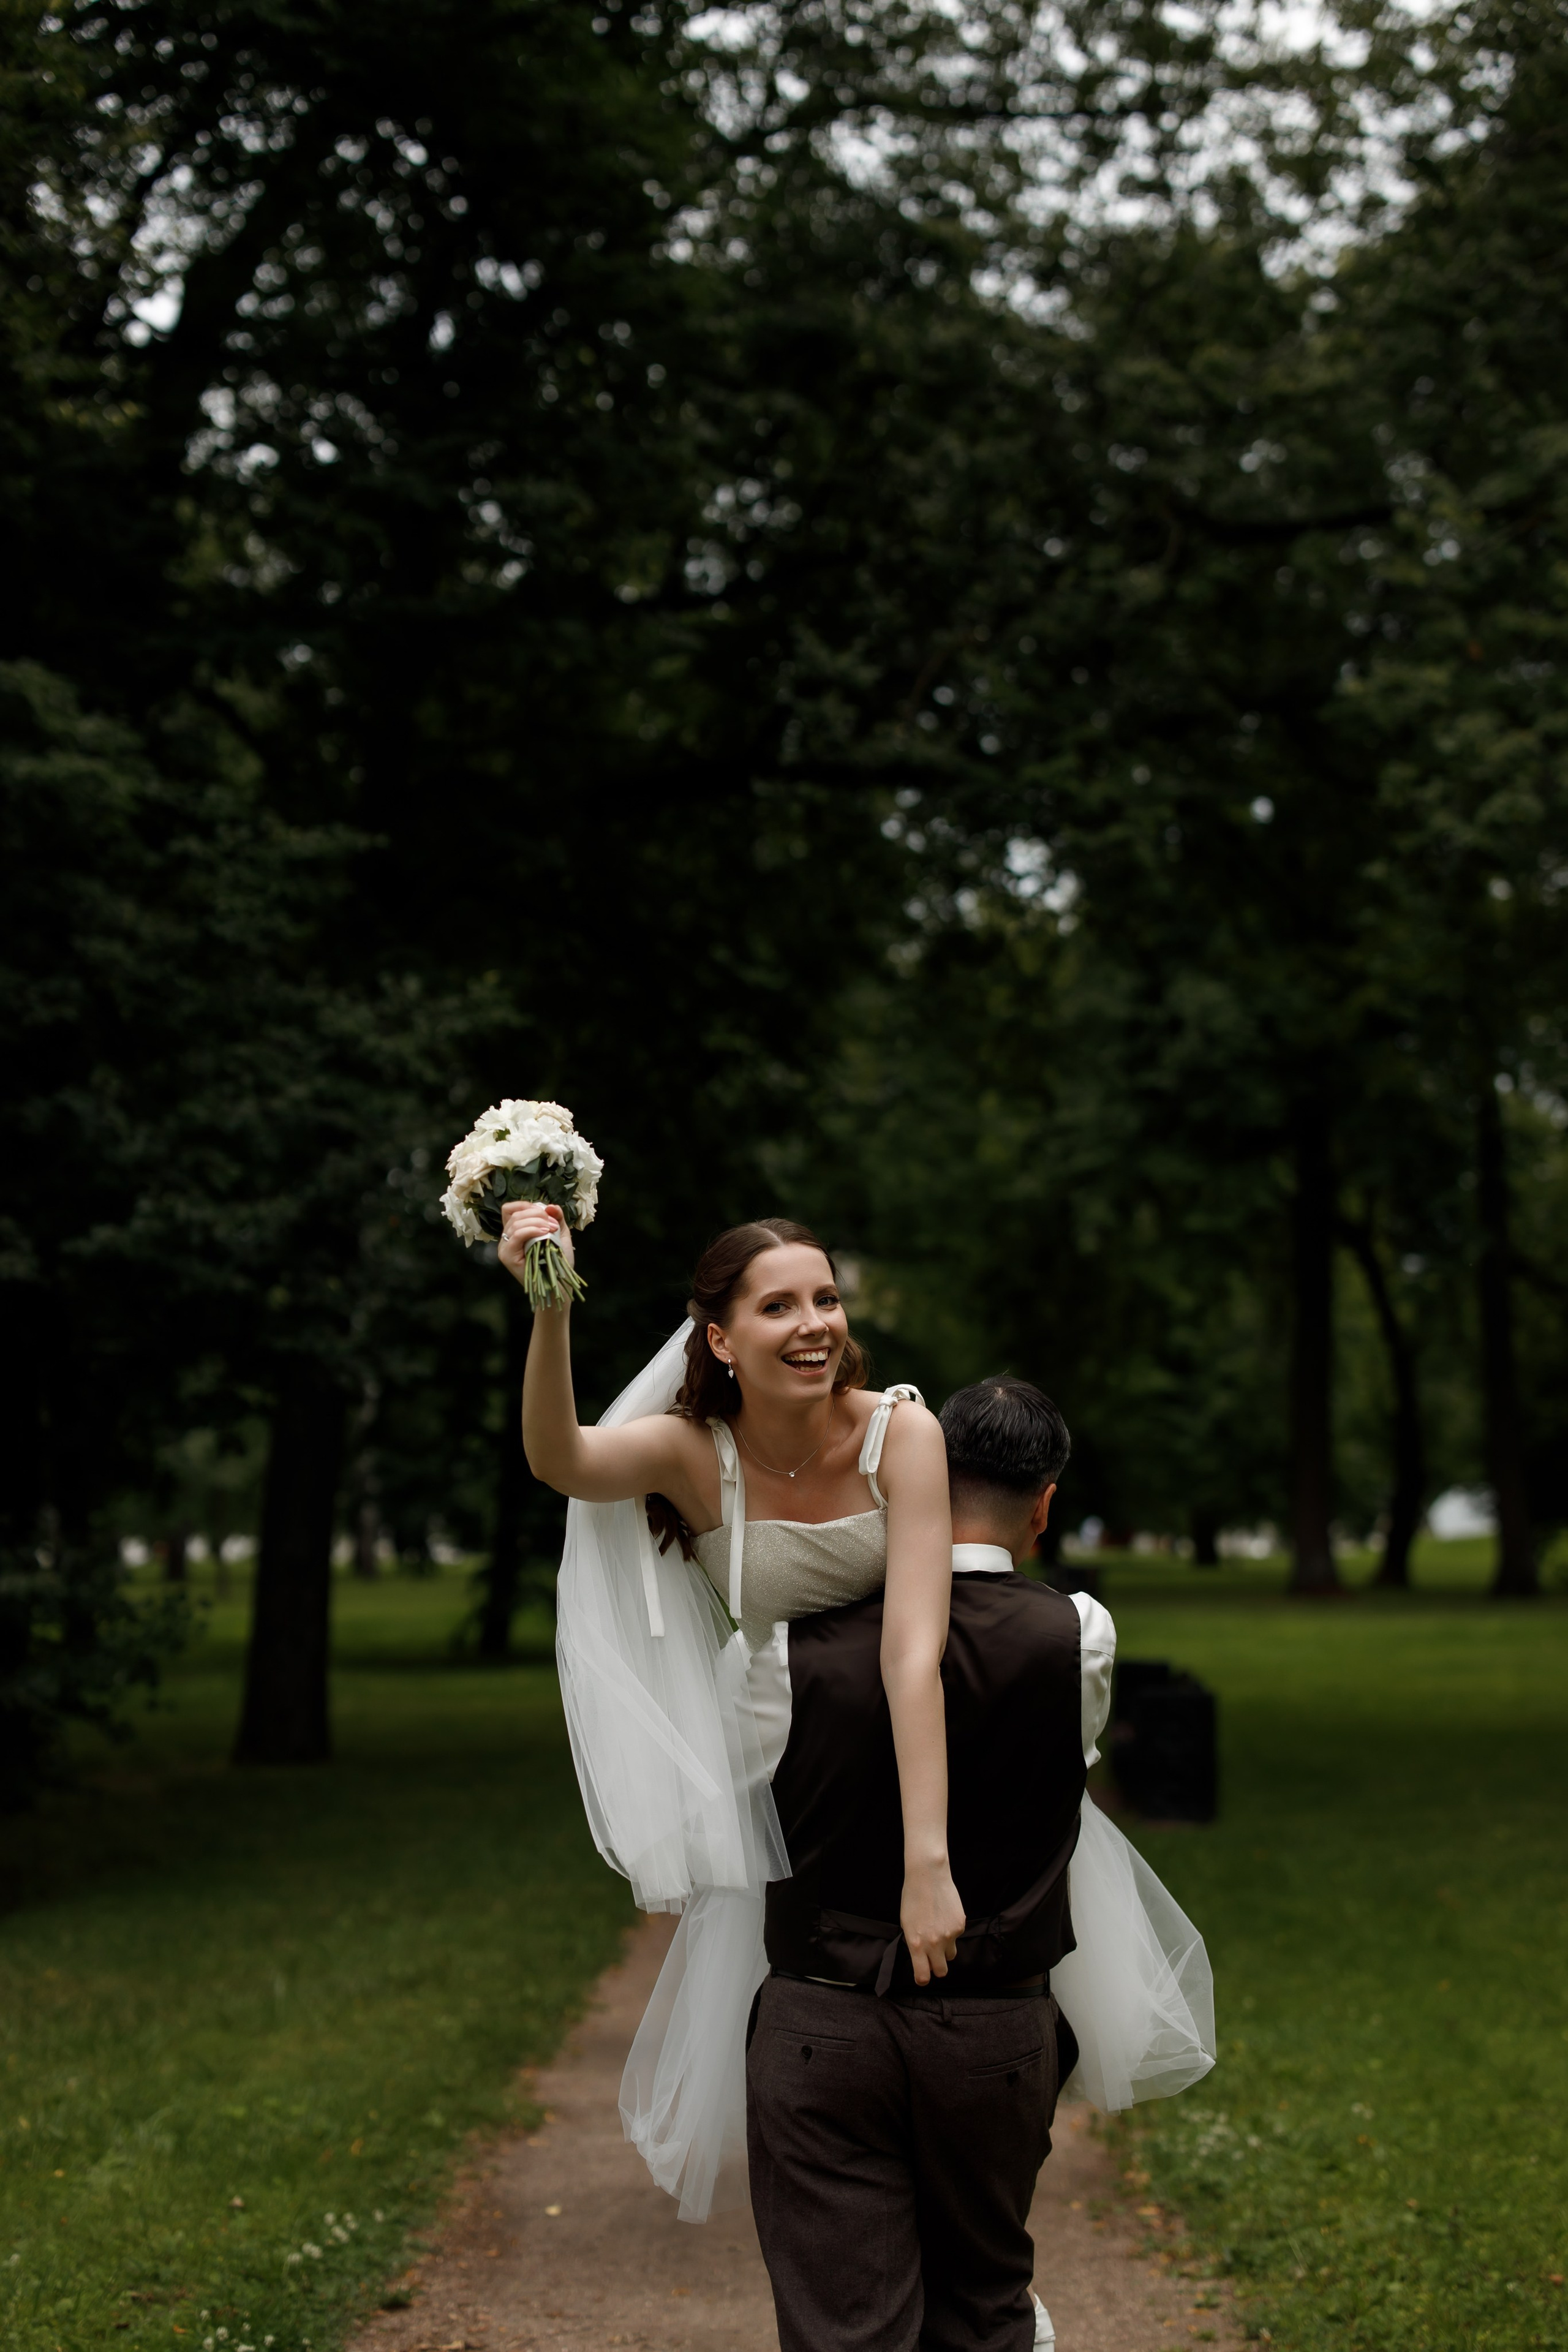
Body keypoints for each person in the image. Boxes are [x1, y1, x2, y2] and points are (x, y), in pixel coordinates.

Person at [500, 1205, 966, 2217]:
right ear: (719, 1338)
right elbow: (562, 1461)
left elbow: (914, 1648)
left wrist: (929, 1859)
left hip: (928, 1747)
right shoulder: (688, 1453)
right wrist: (547, 1306)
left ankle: (985, 2279)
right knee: (822, 2030)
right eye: (779, 1306)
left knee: (967, 2014)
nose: (815, 1325)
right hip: (792, 1765)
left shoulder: (904, 1432)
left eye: (827, 1298)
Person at [745, 1375, 1214, 2352]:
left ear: (917, 1476)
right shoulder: (1078, 1636)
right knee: (985, 2310)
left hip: (821, 2023)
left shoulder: (787, 1648)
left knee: (845, 2330)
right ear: (1044, 1507)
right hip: (995, 2027)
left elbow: (752, 1804)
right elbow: (1060, 1774)